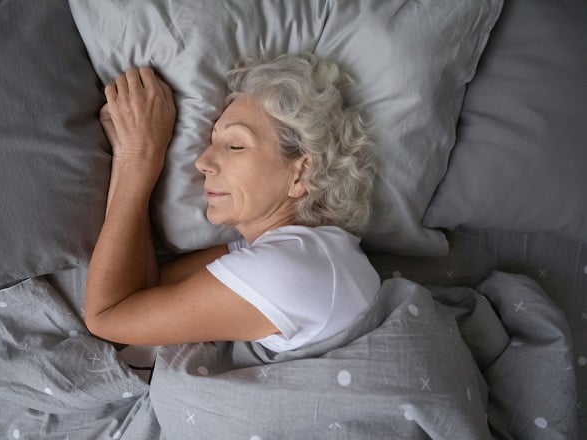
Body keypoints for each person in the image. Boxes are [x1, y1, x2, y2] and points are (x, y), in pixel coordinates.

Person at [85, 54, 381, 353]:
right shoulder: (301, 251)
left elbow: (108, 317)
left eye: (235, 145)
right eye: (212, 143)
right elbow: (145, 292)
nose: (203, 162)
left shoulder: (285, 269)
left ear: (300, 172)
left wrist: (139, 161)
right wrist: (128, 156)